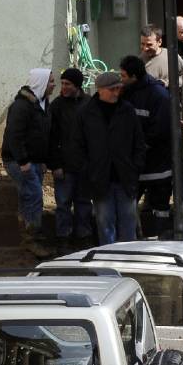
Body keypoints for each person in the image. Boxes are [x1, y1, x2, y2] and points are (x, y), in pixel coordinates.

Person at [65, 71, 146, 244]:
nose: (116, 92)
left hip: (125, 178)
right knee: (104, 222)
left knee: (128, 223)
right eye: (112, 89)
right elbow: (76, 146)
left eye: (118, 88)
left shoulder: (127, 110)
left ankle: (129, 260)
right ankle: (108, 262)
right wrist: (88, 170)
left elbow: (138, 142)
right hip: (99, 179)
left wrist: (135, 166)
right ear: (100, 90)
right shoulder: (85, 113)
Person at [120, 55, 174, 236]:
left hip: (157, 165)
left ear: (134, 76)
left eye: (123, 75)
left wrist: (138, 149)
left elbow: (160, 131)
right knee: (128, 204)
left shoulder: (158, 96)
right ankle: (134, 239)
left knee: (160, 207)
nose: (121, 79)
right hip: (135, 164)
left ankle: (163, 242)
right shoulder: (126, 92)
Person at [1, 67, 55, 240]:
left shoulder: (43, 104)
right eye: (51, 81)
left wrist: (43, 160)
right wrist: (23, 162)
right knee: (34, 195)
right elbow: (14, 136)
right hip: (20, 162)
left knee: (30, 196)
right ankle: (32, 235)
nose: (54, 85)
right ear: (42, 83)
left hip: (35, 161)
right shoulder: (21, 106)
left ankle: (29, 233)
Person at [47, 67, 93, 246]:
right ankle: (63, 239)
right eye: (62, 83)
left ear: (77, 86)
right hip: (64, 166)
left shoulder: (89, 104)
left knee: (83, 203)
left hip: (83, 165)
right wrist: (55, 164)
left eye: (68, 84)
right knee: (63, 204)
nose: (63, 87)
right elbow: (51, 138)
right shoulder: (57, 106)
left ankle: (84, 237)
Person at [138, 24, 183, 95]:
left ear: (159, 42)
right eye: (142, 44)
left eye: (149, 45)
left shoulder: (171, 56)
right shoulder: (139, 60)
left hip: (171, 103)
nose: (145, 48)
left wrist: (167, 83)